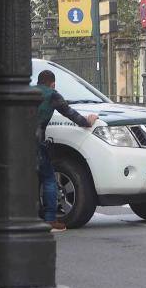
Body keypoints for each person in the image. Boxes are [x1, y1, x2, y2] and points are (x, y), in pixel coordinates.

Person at [35, 69, 98, 232]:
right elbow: (70, 113)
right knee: (48, 178)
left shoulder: (29, 92)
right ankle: (49, 219)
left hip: (19, 142)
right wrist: (87, 121)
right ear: (53, 84)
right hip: (36, 142)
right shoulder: (52, 95)